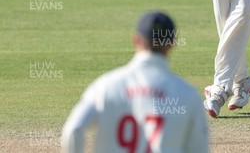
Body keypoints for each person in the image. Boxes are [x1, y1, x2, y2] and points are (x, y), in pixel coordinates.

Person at [61, 11, 209, 153]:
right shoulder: (187, 94)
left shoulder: (106, 86)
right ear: (171, 44)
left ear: (136, 40)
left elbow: (74, 129)